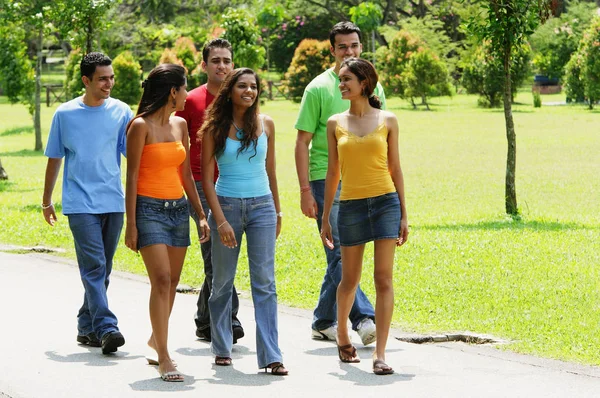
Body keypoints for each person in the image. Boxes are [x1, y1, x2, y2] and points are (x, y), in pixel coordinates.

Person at [294, 21, 386, 345]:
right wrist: (306, 191)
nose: (349, 51)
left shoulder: (373, 85)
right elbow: (301, 142)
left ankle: (322, 319)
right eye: (343, 46)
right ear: (332, 50)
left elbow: (381, 136)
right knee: (340, 253)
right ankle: (363, 318)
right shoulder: (318, 89)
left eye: (354, 46)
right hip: (324, 178)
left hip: (363, 181)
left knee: (344, 252)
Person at [320, 58, 408, 375]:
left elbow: (395, 168)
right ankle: (343, 334)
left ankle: (380, 353)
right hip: (351, 205)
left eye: (346, 80)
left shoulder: (388, 120)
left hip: (386, 202)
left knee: (383, 278)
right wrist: (326, 215)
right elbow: (333, 173)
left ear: (364, 83)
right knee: (349, 279)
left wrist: (404, 214)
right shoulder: (334, 123)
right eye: (340, 80)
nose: (341, 84)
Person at [42, 52, 133, 355]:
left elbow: (131, 155)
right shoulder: (65, 114)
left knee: (102, 269)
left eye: (111, 77)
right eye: (103, 78)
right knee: (94, 267)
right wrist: (46, 200)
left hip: (113, 201)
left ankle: (85, 325)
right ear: (86, 80)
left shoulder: (121, 111)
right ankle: (107, 327)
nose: (109, 83)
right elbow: (55, 157)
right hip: (80, 203)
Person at [124, 64, 210, 382]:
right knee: (160, 279)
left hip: (178, 210)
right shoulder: (139, 126)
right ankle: (164, 355)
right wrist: (130, 224)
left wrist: (200, 214)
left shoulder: (181, 126)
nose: (188, 94)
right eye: (185, 88)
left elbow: (185, 174)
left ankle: (154, 339)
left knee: (172, 281)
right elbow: (131, 177)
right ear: (173, 91)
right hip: (148, 210)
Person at [201, 68, 288, 375]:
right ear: (230, 90)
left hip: (262, 207)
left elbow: (272, 171)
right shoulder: (214, 128)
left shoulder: (266, 124)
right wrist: (220, 221)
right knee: (222, 282)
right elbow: (207, 181)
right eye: (242, 86)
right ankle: (222, 346)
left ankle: (271, 355)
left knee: (265, 282)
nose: (249, 91)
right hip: (226, 206)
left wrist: (277, 211)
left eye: (253, 87)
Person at [175, 38, 245, 343]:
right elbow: (178, 143)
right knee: (215, 255)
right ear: (204, 65)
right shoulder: (191, 101)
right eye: (216, 60)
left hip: (233, 185)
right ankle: (229, 317)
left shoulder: (240, 98)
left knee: (221, 254)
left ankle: (205, 319)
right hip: (201, 186)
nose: (222, 66)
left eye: (227, 61)